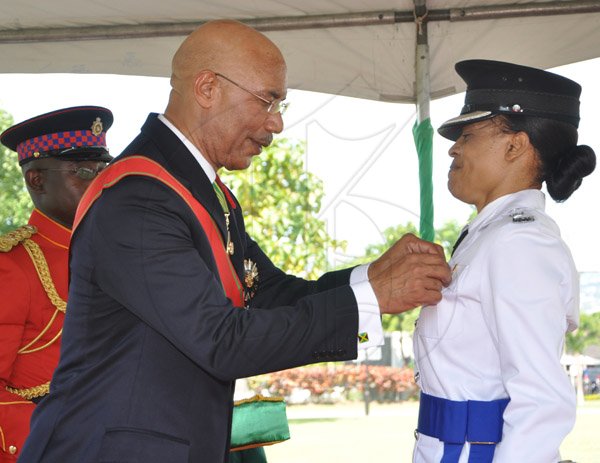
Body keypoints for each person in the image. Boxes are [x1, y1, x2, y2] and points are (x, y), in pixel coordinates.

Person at [18, 20, 451, 463]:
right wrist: (372, 297)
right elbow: (220, 341)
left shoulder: (203, 193)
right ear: (207, 88)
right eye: (268, 100)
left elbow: (271, 294)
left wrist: (371, 280)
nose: (277, 123)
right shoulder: (139, 198)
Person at [412, 59, 596, 462]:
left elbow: (541, 400)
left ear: (516, 145)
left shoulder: (519, 243)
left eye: (469, 134)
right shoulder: (491, 234)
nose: (454, 146)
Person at [0, 106, 113, 462]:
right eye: (83, 172)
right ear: (36, 180)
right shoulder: (13, 265)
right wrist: (51, 443)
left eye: (103, 170)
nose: (99, 183)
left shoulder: (121, 252)